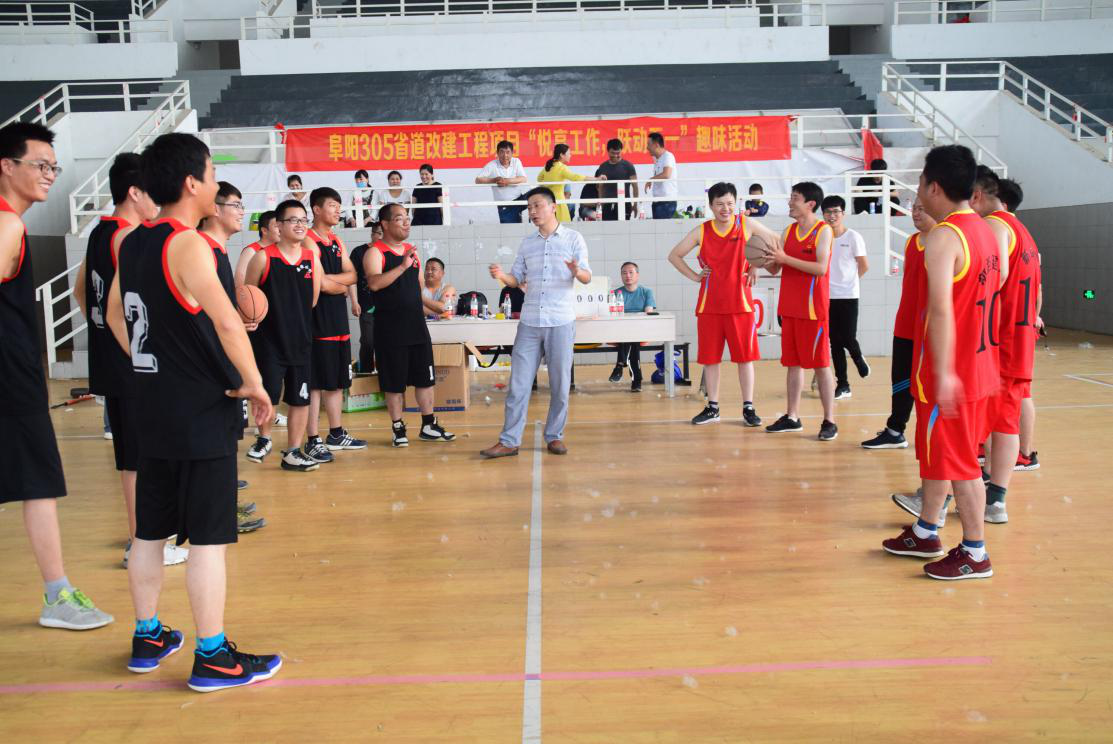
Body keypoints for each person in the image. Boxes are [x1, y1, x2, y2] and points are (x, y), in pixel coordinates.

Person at [105, 131, 280, 690]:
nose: (215, 184)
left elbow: (113, 315)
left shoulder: (132, 241)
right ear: (191, 183)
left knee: (149, 533)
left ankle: (148, 635)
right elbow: (228, 321)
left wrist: (150, 363)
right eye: (211, 175)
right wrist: (255, 384)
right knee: (207, 538)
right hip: (200, 409)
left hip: (150, 405)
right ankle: (213, 656)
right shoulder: (188, 245)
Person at [1, 121, 114, 631]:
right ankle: (57, 595)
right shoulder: (7, 225)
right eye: (40, 165)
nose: (50, 174)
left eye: (54, 166)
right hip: (11, 380)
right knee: (39, 483)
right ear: (7, 166)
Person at [880, 144, 1000, 581]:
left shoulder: (944, 237)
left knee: (961, 463)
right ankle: (926, 530)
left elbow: (942, 310)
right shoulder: (986, 230)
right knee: (940, 454)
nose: (917, 190)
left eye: (919, 181)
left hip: (953, 371)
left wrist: (946, 372)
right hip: (981, 365)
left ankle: (975, 552)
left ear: (934, 186)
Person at [74, 153, 190, 566]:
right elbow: (116, 310)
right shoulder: (129, 237)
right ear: (135, 192)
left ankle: (141, 537)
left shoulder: (99, 232)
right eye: (151, 192)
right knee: (142, 459)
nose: (158, 200)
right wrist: (140, 354)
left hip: (112, 361)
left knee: (132, 457)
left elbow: (80, 291)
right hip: (132, 365)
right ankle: (142, 543)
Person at [481, 187, 592, 459]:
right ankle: (509, 441)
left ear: (553, 207)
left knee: (560, 385)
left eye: (537, 205)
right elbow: (516, 279)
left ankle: (555, 436)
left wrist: (577, 271)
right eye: (529, 207)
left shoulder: (573, 238)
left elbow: (587, 276)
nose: (532, 211)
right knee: (518, 385)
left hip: (560, 321)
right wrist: (501, 275)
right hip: (530, 322)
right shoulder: (527, 243)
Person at [669, 182, 781, 425]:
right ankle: (713, 407)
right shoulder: (702, 230)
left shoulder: (746, 224)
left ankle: (748, 407)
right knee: (711, 360)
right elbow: (674, 255)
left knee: (745, 359)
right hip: (709, 306)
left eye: (729, 203)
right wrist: (695, 276)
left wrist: (756, 264)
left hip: (740, 305)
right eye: (719, 204)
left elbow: (775, 239)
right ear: (710, 206)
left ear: (736, 203)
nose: (725, 208)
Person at [975, 172, 1041, 524]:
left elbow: (996, 276)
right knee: (1006, 420)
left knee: (988, 421)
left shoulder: (997, 226)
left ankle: (978, 496)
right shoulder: (1024, 232)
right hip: (1020, 338)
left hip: (999, 340)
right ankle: (994, 496)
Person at [243, 199, 323, 472]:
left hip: (300, 341)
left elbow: (312, 299)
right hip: (269, 342)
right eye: (293, 220)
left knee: (300, 399)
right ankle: (264, 438)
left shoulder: (311, 258)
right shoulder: (262, 257)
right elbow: (249, 297)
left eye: (303, 220)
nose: (300, 225)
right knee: (267, 394)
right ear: (278, 225)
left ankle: (293, 452)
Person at [367, 202, 455, 447]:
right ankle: (398, 428)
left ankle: (428, 425)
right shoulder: (375, 252)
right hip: (390, 330)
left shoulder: (411, 251)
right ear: (385, 224)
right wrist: (402, 266)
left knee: (425, 379)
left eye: (407, 218)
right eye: (399, 218)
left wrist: (435, 308)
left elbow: (417, 291)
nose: (406, 222)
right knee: (394, 384)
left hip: (416, 326)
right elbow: (374, 283)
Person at [762, 182, 837, 441]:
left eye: (795, 198)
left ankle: (829, 420)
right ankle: (792, 416)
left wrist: (785, 259)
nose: (790, 202)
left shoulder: (823, 231)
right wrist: (758, 257)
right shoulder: (789, 231)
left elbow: (821, 268)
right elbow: (775, 268)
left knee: (821, 365)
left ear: (810, 204)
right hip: (790, 307)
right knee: (792, 365)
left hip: (813, 310)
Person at [862, 199, 935, 450]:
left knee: (928, 383)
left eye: (922, 208)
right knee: (901, 378)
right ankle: (895, 430)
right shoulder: (911, 242)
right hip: (905, 321)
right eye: (914, 208)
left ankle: (933, 436)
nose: (916, 213)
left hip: (930, 326)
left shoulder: (944, 241)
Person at [303, 187, 365, 463]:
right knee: (316, 383)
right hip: (318, 319)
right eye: (332, 205)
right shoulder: (308, 240)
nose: (338, 210)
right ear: (317, 209)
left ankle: (336, 433)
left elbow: (353, 275)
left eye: (339, 206)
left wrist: (333, 282)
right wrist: (337, 284)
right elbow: (322, 285)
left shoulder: (337, 241)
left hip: (338, 320)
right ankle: (312, 438)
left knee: (337, 381)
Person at [998, 178, 1042, 471]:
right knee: (1021, 393)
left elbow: (1001, 279)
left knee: (1014, 397)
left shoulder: (1003, 229)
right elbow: (1038, 289)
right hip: (1024, 326)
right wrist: (1035, 317)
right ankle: (1022, 453)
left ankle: (1022, 455)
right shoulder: (1027, 236)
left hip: (1011, 330)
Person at [822, 195, 870, 399]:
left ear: (843, 213)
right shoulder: (822, 237)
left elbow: (864, 265)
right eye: (828, 212)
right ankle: (843, 384)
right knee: (834, 341)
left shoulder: (853, 237)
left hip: (849, 295)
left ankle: (858, 358)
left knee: (848, 337)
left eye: (836, 212)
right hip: (827, 296)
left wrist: (850, 282)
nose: (832, 216)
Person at [608, 262, 656, 392]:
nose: (627, 276)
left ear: (637, 275)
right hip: (620, 330)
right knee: (630, 338)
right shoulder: (615, 293)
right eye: (624, 273)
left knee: (632, 335)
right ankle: (636, 381)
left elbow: (648, 312)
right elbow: (611, 315)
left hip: (640, 329)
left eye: (631, 272)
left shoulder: (646, 292)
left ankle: (619, 366)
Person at [537, 144, 603, 223]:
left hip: (547, 200)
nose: (570, 156)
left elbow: (539, 179)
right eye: (569, 153)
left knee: (549, 224)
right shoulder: (561, 167)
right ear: (562, 155)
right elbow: (575, 177)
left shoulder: (548, 166)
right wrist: (596, 179)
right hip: (559, 201)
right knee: (562, 225)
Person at [349, 221, 383, 373]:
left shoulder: (389, 251)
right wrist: (354, 302)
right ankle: (366, 374)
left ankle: (384, 374)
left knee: (385, 342)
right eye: (379, 233)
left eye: (385, 234)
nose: (382, 237)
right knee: (368, 342)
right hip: (366, 305)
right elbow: (352, 278)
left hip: (387, 306)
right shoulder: (359, 252)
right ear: (372, 234)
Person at [476, 140, 528, 223]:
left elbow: (523, 179)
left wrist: (507, 181)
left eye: (508, 152)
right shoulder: (492, 165)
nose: (505, 155)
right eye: (502, 152)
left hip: (519, 200)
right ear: (497, 153)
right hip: (505, 205)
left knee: (538, 194)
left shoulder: (516, 161)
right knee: (510, 228)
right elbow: (478, 180)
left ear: (512, 153)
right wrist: (494, 180)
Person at [595, 138, 638, 221]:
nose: (615, 156)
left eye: (618, 153)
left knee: (624, 227)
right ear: (608, 151)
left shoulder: (628, 166)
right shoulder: (603, 167)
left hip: (624, 204)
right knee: (608, 227)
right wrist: (601, 204)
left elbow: (635, 186)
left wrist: (635, 204)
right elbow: (600, 187)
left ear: (621, 151)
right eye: (613, 153)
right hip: (607, 205)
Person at [235, 210, 279, 287]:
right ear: (264, 230)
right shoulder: (251, 251)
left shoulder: (281, 250)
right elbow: (240, 286)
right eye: (277, 226)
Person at [645, 132, 678, 220]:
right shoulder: (657, 159)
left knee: (663, 228)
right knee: (657, 228)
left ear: (656, 145)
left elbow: (666, 174)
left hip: (666, 202)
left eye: (649, 144)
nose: (647, 148)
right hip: (658, 201)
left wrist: (651, 179)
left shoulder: (668, 156)